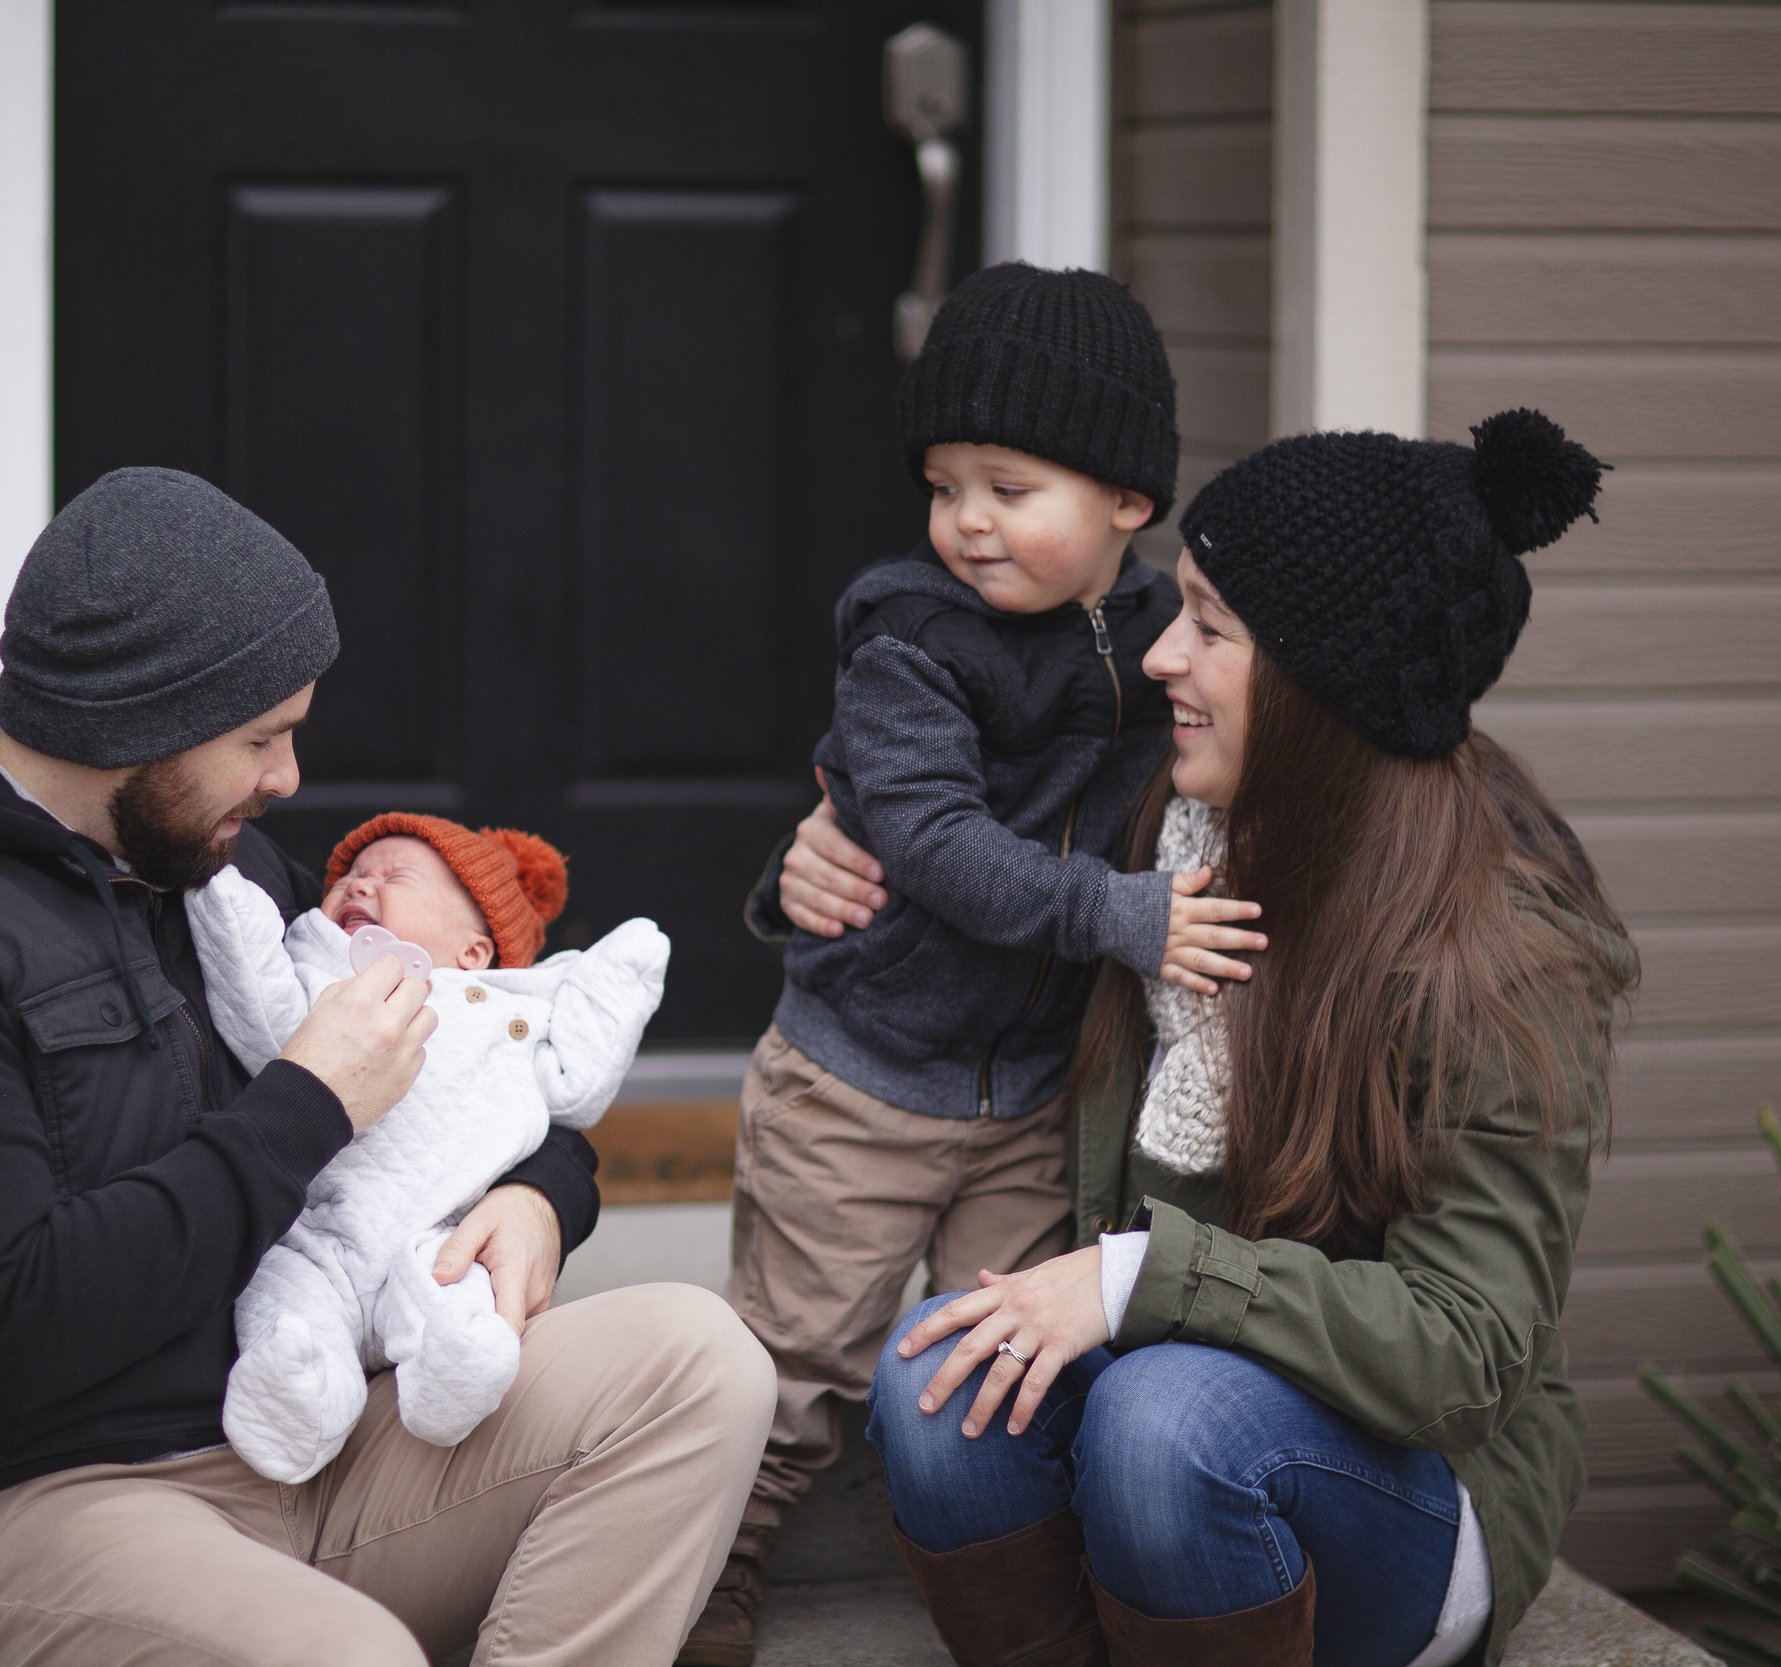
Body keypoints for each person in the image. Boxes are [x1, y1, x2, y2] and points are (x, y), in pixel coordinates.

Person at [0, 467, 774, 1667]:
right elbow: (19, 1325)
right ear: (135, 720)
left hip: (318, 1447)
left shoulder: (211, 866)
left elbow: (456, 1070)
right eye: (260, 737)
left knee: (701, 1364)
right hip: (45, 1509)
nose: (288, 780)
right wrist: (306, 1104)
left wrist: (540, 1194)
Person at [840, 410, 1640, 1667]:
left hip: (1404, 1489)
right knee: (929, 1379)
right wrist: (820, 860)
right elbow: (971, 845)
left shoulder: (1497, 956)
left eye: (1210, 624)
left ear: (1323, 684)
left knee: (1166, 1417)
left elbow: (1464, 1347)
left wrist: (1134, 1279)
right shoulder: (1175, 831)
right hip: (1160, 1420)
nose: (1162, 653)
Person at [686, 264, 1265, 1667]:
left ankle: (1005, 1583)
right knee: (795, 1358)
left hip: (1032, 1098)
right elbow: (936, 843)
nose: (966, 520)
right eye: (945, 484)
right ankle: (711, 1571)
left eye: (1010, 485)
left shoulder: (1162, 646)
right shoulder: (907, 637)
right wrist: (1124, 916)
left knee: (998, 1357)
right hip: (863, 1077)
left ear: (1128, 499)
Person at [186, 815, 670, 1482]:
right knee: (287, 1301)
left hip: (442, 1237)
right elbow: (262, 1013)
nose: (361, 883)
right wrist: (226, 903)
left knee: (458, 1298)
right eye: (353, 876)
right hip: (319, 1233)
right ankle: (298, 1396)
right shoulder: (322, 975)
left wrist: (618, 974)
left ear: (474, 951)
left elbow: (577, 1088)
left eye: (394, 875)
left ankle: (454, 1366)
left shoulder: (510, 1009)